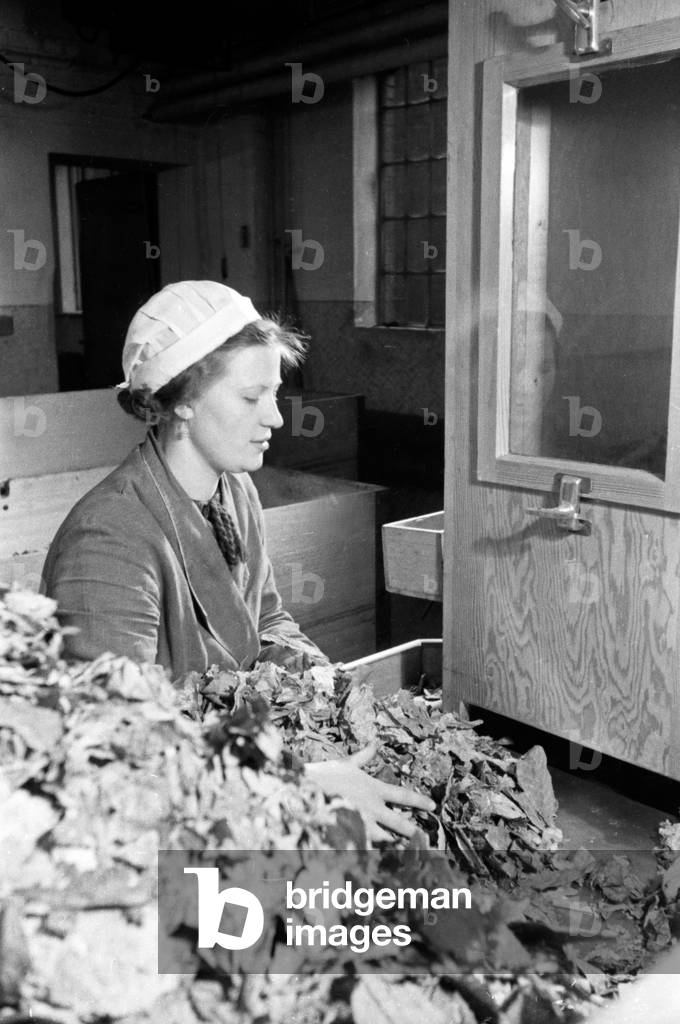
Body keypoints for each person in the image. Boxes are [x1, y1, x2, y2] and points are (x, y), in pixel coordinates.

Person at [43, 280, 434, 841]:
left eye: (275, 394)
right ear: (181, 402)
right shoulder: (109, 539)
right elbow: (115, 744)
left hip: (242, 761)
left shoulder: (235, 491)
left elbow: (268, 620)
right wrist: (302, 779)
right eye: (252, 398)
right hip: (159, 816)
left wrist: (329, 693)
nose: (276, 418)